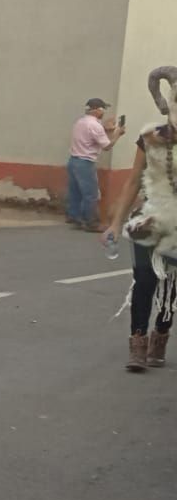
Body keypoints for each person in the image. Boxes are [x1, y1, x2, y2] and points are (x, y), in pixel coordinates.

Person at [101, 118, 177, 371]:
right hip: (149, 217)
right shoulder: (151, 138)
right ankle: (138, 342)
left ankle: (161, 335)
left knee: (171, 283)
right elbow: (133, 181)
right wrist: (115, 223)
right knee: (144, 278)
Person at [66, 97, 123, 230]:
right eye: (103, 109)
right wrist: (118, 134)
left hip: (73, 161)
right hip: (85, 163)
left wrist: (106, 129)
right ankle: (91, 223)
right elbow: (107, 146)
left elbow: (91, 135)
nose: (104, 113)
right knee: (90, 194)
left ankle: (75, 218)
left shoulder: (80, 122)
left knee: (75, 192)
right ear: (98, 110)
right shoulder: (95, 126)